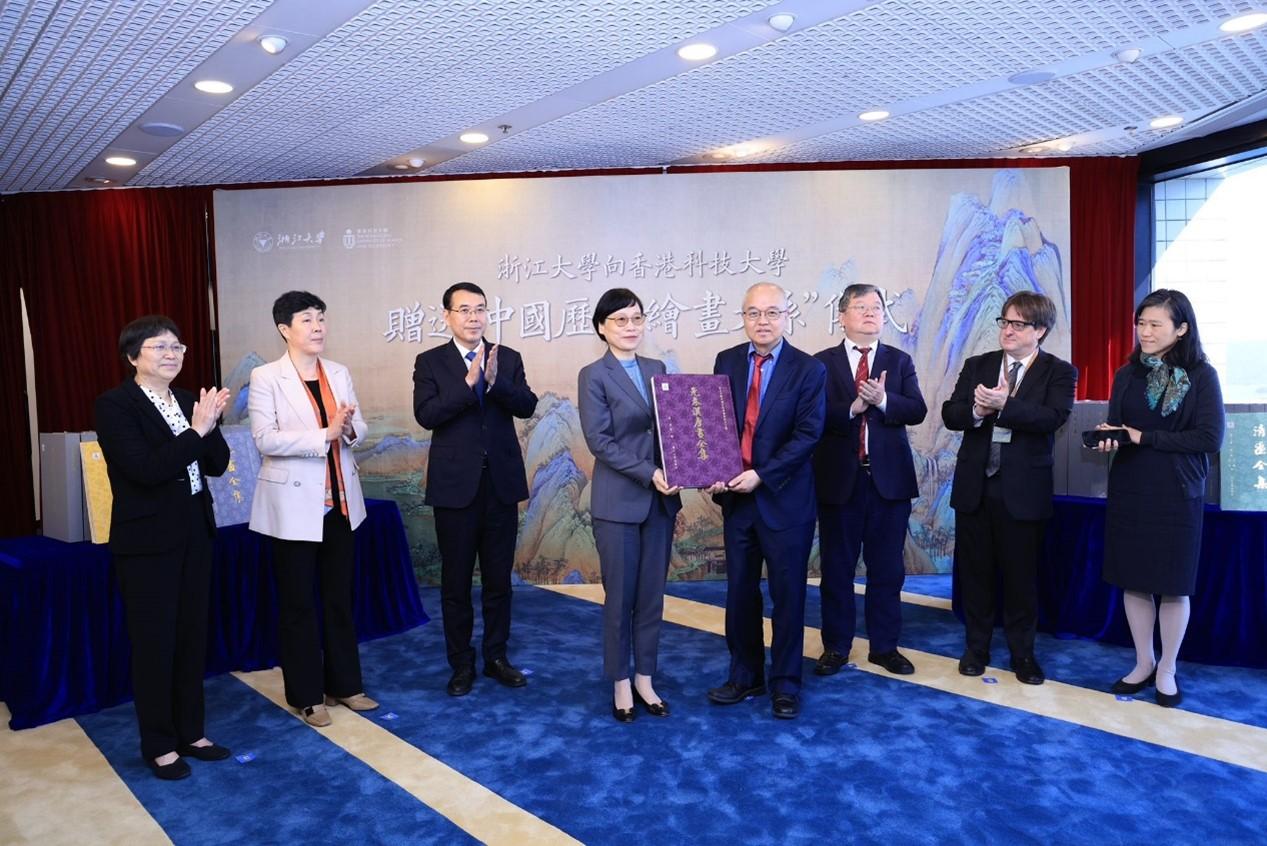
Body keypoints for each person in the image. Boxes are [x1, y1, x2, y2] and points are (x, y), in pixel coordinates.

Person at [94, 315, 232, 780]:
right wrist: (196, 431)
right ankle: (159, 744)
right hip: (147, 541)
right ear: (133, 356)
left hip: (195, 530)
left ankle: (191, 732)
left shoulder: (190, 400)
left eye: (177, 346)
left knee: (192, 637)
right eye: (160, 347)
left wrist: (209, 425)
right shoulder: (115, 406)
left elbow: (217, 464)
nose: (172, 354)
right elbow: (146, 471)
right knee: (155, 643)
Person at [248, 291, 378, 727]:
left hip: (340, 504)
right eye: (307, 319)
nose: (318, 326)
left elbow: (358, 427)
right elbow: (265, 439)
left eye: (321, 318)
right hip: (293, 508)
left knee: (339, 598)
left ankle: (345, 684)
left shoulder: (338, 372)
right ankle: (306, 695)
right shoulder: (266, 377)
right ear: (284, 329)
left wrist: (349, 430)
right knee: (299, 604)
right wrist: (325, 434)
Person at [1094, 289, 1224, 707]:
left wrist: (1144, 437)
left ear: (1181, 329)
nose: (1144, 332)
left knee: (1172, 585)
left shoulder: (1201, 375)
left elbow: (1209, 438)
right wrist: (1110, 436)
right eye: (1140, 323)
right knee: (1134, 579)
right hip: (1131, 487)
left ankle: (1167, 667)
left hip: (1177, 492)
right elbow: (1120, 426)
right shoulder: (1126, 374)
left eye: (1155, 324)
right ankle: (1143, 661)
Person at [942, 291, 1076, 686]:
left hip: (1023, 491)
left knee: (1021, 577)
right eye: (1005, 322)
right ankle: (976, 649)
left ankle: (1023, 654)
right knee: (976, 573)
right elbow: (951, 413)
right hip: (976, 487)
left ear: (1040, 330)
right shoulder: (978, 365)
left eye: (1019, 324)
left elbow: (1053, 417)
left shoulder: (1059, 371)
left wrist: (1005, 405)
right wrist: (977, 410)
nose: (1009, 330)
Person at [706, 282, 826, 719]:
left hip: (785, 500)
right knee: (740, 593)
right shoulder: (726, 361)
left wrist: (762, 474)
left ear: (787, 316)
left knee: (788, 597)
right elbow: (715, 424)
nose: (763, 321)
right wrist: (710, 468)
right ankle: (745, 675)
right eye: (753, 313)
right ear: (743, 318)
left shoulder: (809, 369)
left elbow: (808, 435)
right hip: (737, 501)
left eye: (772, 312)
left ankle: (786, 684)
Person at [413, 282, 539, 696]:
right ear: (447, 316)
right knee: (456, 584)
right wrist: (468, 384)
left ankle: (496, 657)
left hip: (500, 486)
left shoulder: (508, 357)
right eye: (464, 310)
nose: (474, 317)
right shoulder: (430, 362)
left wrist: (496, 381)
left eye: (480, 309)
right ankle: (461, 663)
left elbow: (527, 405)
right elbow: (427, 415)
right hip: (455, 489)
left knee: (499, 581)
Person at [577, 288, 683, 722]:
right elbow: (599, 441)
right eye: (620, 319)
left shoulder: (657, 368)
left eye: (636, 318)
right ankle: (620, 680)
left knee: (652, 597)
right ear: (602, 327)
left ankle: (645, 678)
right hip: (618, 502)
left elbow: (672, 430)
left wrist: (684, 465)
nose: (630, 327)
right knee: (620, 599)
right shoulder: (593, 375)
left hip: (660, 503)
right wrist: (651, 472)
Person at [812, 284, 927, 678]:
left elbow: (916, 409)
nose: (870, 314)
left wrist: (881, 401)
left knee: (887, 571)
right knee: (836, 571)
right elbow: (811, 416)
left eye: (877, 307)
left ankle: (885, 646)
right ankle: (836, 647)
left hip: (888, 484)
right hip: (839, 482)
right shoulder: (821, 363)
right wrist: (852, 407)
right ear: (842, 316)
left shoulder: (899, 360)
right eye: (861, 307)